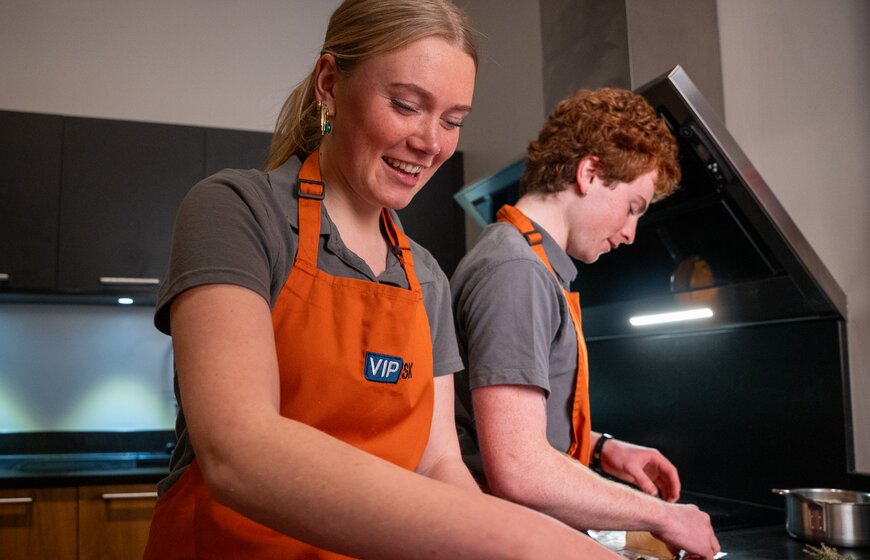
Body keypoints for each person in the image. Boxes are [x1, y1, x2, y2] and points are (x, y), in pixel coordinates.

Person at [142, 1, 624, 558]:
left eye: (452, 121)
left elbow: (438, 462)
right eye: (405, 105)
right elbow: (239, 451)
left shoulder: (426, 278)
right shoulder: (236, 212)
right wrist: (528, 540)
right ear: (329, 84)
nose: (430, 142)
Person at [452, 88, 722, 559]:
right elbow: (519, 467)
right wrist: (663, 515)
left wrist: (601, 450)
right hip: (497, 538)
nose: (631, 232)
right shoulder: (516, 272)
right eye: (633, 207)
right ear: (589, 172)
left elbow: (502, 422)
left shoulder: (529, 262)